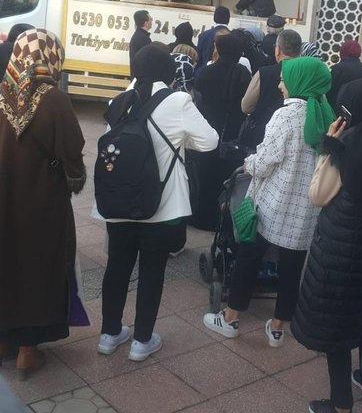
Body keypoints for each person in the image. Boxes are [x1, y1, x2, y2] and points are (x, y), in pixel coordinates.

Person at [94, 44, 218, 361]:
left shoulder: (118, 100)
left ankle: (109, 335)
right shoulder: (178, 101)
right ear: (169, 72)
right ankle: (141, 341)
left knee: (117, 267)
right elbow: (210, 141)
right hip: (160, 205)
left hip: (118, 200)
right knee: (152, 270)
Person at [292, 78, 362, 413]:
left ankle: (341, 404)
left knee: (337, 330)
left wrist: (328, 148)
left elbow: (317, 195)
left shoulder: (347, 144)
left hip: (343, 253)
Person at [203, 57, 335, 344]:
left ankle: (231, 318)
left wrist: (248, 163)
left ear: (300, 81)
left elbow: (264, 163)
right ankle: (277, 328)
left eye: (285, 79)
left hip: (273, 203)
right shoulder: (327, 116)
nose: (280, 84)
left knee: (248, 256)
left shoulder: (285, 116)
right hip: (306, 210)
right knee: (292, 268)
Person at [0, 29, 87, 380]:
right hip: (42, 203)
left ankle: (4, 341)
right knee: (39, 265)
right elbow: (72, 150)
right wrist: (74, 176)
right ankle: (27, 350)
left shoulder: (2, 93)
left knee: (6, 260)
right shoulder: (54, 99)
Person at [193, 33, 251, 229]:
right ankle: (221, 220)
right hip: (232, 134)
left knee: (205, 176)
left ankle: (201, 216)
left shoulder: (204, 72)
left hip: (206, 129)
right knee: (225, 178)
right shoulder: (243, 73)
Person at [241, 28, 302, 148]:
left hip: (263, 136)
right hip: (296, 138)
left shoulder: (264, 73)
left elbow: (246, 106)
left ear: (277, 50)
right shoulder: (306, 75)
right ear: (300, 51)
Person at [327, 39, 362, 107]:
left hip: (337, 106)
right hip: (355, 107)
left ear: (343, 50)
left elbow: (330, 88)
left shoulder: (339, 68)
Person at [129, 10, 152, 78]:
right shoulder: (143, 38)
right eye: (150, 19)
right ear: (146, 23)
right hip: (141, 78)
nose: (152, 21)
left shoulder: (139, 36)